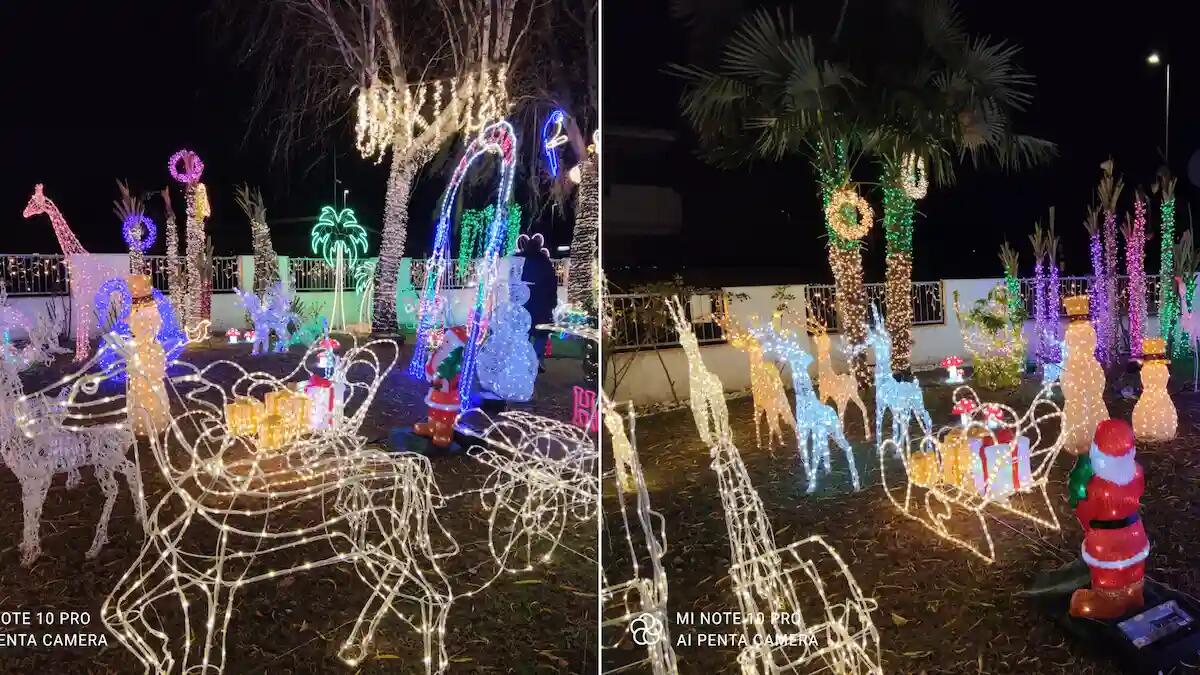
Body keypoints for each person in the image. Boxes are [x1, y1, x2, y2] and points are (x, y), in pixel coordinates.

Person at [519, 234, 557, 371]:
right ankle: (535, 358)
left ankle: (525, 359)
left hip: (526, 302)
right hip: (542, 303)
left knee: (526, 332)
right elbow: (552, 282)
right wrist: (552, 300)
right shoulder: (544, 262)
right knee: (542, 332)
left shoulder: (522, 260)